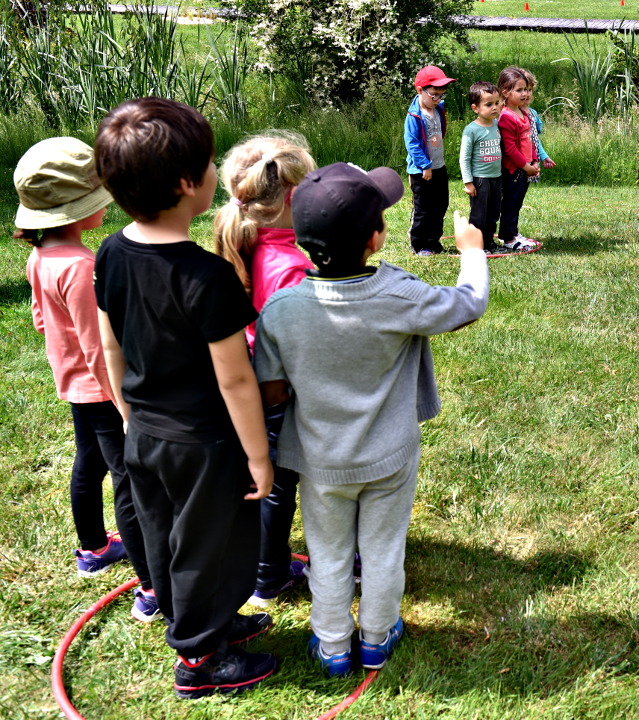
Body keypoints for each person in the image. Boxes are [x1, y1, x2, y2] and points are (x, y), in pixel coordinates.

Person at [254, 163, 489, 677]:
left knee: (328, 552)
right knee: (382, 550)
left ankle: (333, 646)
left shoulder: (281, 309)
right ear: (376, 238)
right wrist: (472, 252)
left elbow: (272, 391)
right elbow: (468, 305)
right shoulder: (398, 294)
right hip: (389, 456)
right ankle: (378, 639)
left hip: (318, 462)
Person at [93, 97, 277, 699]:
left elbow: (110, 346)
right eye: (206, 167)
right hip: (203, 442)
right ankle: (199, 660)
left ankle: (206, 625)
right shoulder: (206, 278)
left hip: (144, 432)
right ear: (184, 185)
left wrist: (126, 412)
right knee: (208, 545)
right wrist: (258, 456)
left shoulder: (111, 253)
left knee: (168, 533)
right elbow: (235, 380)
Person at [15, 137, 157, 623]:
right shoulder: (80, 266)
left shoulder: (40, 258)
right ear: (76, 210)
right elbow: (98, 346)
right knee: (128, 479)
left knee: (89, 461)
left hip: (74, 384)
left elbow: (39, 320)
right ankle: (152, 586)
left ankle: (94, 549)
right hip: (101, 388)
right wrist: (122, 403)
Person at [213, 131, 316, 607]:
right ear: (294, 196)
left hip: (248, 380)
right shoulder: (290, 264)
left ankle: (261, 566)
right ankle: (268, 576)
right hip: (275, 389)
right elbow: (298, 344)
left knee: (265, 481)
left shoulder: (248, 238)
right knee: (278, 486)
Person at [405, 64, 457, 256]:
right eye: (434, 94)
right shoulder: (414, 116)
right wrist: (425, 166)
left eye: (442, 94)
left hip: (439, 167)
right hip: (422, 171)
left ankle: (433, 242)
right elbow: (412, 144)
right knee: (424, 209)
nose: (438, 98)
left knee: (440, 205)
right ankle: (418, 244)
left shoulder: (437, 108)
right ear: (420, 90)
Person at [497, 66, 540, 252]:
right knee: (510, 203)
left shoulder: (525, 113)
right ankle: (508, 238)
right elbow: (510, 148)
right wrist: (525, 165)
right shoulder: (506, 117)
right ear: (506, 92)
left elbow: (531, 141)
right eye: (520, 90)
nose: (525, 94)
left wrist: (535, 160)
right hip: (513, 170)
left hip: (525, 168)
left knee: (517, 202)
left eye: (527, 90)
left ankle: (513, 232)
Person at [460, 81, 504, 254]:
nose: (494, 107)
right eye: (488, 104)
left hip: (496, 177)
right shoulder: (471, 130)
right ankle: (475, 247)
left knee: (493, 213)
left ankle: (489, 243)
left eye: (497, 103)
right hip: (480, 179)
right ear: (475, 108)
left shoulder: (496, 125)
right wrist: (468, 182)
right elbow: (464, 158)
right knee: (479, 215)